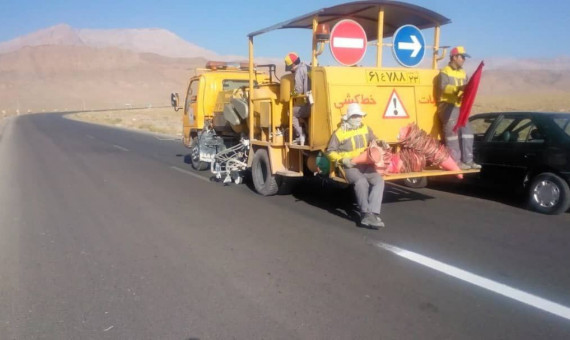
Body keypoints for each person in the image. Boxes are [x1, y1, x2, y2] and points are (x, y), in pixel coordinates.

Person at [326, 103, 385, 229]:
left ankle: (373, 213)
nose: (358, 119)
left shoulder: (366, 129)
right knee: (361, 182)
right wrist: (343, 159)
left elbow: (374, 141)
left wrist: (380, 143)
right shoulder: (339, 133)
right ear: (348, 118)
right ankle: (365, 214)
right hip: (350, 166)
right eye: (355, 116)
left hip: (365, 165)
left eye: (359, 116)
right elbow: (330, 151)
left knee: (379, 181)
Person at [437, 46, 481, 170]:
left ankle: (468, 160)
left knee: (468, 133)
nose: (464, 60)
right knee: (452, 135)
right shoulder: (444, 72)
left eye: (464, 57)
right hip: (447, 106)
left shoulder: (463, 73)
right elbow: (443, 88)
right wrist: (458, 89)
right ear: (454, 57)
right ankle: (455, 162)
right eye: (462, 57)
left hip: (460, 106)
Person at [284, 52, 311, 145]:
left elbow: (298, 90)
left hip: (308, 103)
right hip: (314, 101)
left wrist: (291, 95)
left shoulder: (299, 71)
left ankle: (301, 135)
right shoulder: (308, 67)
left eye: (289, 66)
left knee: (291, 113)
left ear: (293, 64)